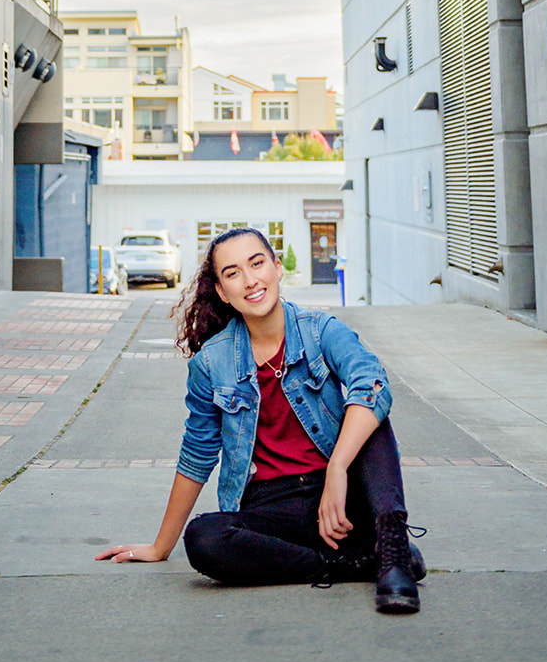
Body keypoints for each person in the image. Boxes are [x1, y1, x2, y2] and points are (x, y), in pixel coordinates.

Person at [96, 226, 425, 614]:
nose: (250, 280)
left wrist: (337, 468)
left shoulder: (321, 331)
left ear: (277, 267)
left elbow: (372, 384)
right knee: (204, 538)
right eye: (233, 273)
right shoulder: (211, 363)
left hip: (342, 500)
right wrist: (160, 546)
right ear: (221, 290)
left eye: (257, 263)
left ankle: (391, 550)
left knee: (369, 414)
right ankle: (347, 563)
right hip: (274, 507)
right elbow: (197, 454)